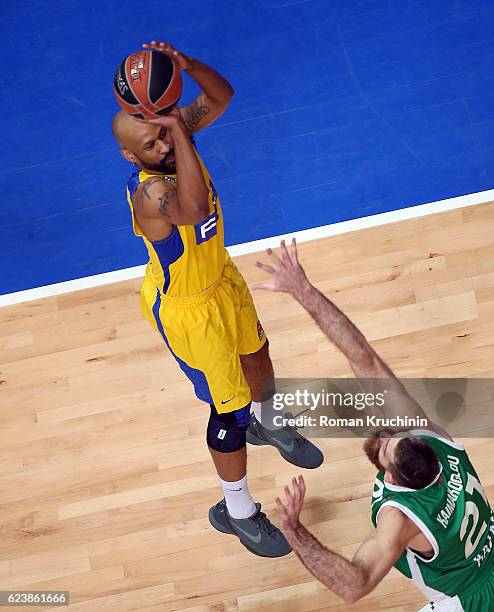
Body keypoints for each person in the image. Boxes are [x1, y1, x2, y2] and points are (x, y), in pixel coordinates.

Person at [111, 41, 323, 558]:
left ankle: (270, 425)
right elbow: (194, 203)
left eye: (163, 132)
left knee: (259, 354)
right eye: (150, 142)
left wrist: (187, 67)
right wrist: (179, 130)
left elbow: (222, 96)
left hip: (221, 278)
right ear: (130, 155)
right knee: (229, 413)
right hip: (188, 310)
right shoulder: (150, 196)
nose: (161, 145)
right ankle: (237, 511)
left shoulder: (169, 136)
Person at [253, 239, 494, 610]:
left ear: (391, 476)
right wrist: (303, 290)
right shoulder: (434, 437)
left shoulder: (401, 518)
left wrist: (294, 531)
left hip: (472, 601)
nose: (386, 431)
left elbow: (353, 585)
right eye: (395, 433)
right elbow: (366, 360)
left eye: (387, 444)